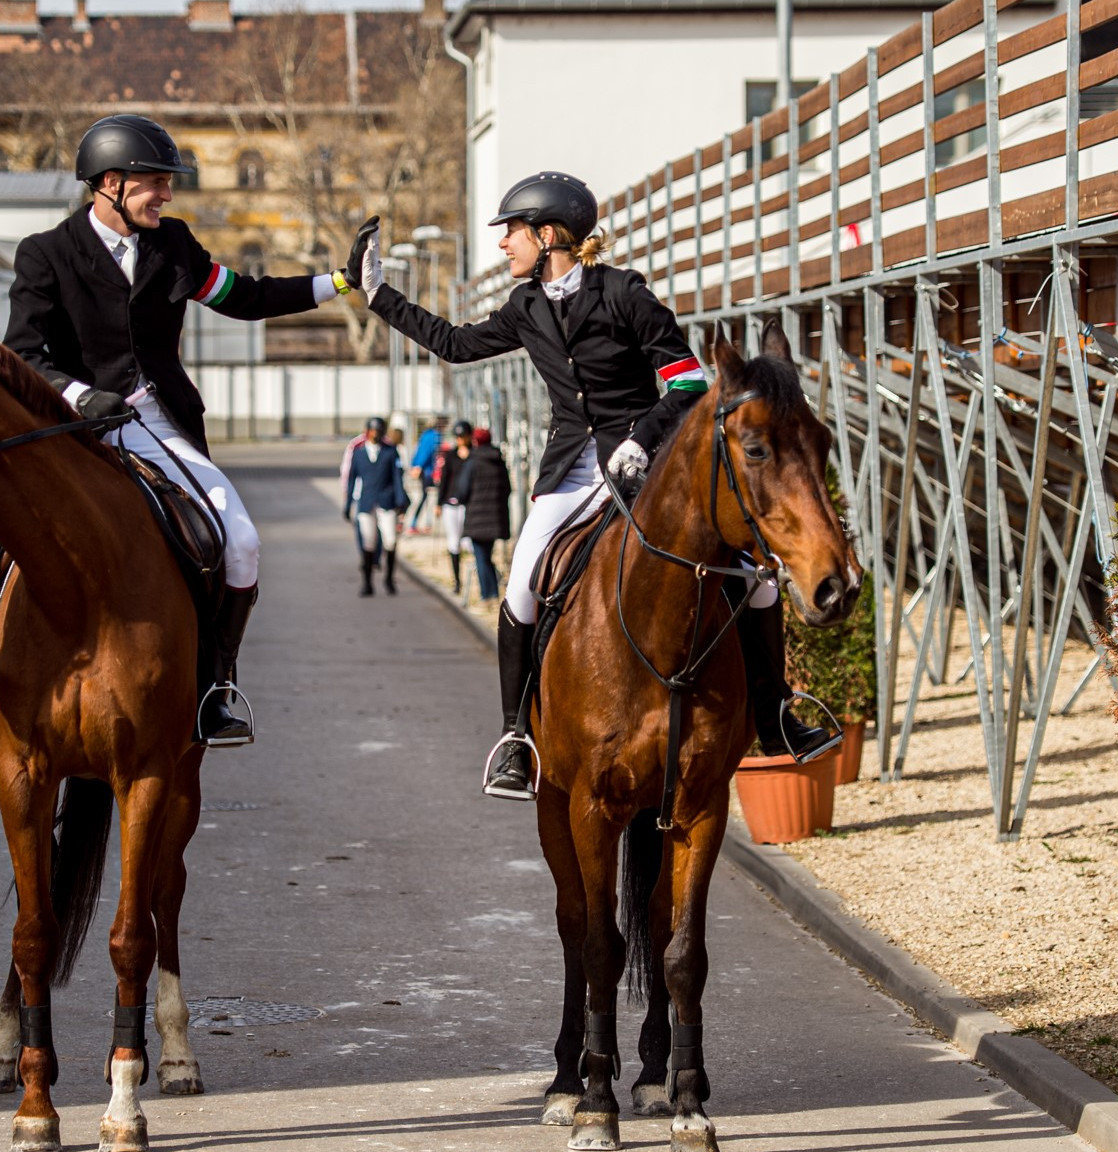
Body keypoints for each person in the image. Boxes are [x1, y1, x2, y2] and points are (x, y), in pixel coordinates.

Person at [348, 172, 839, 800]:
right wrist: (378, 296)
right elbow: (453, 343)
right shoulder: (524, 307)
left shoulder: (625, 294)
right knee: (522, 586)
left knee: (757, 577)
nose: (504, 245)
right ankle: (515, 740)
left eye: (512, 233)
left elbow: (687, 383)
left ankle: (775, 715)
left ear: (547, 235)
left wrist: (641, 439)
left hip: (646, 463)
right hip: (570, 471)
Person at [0, 113, 359, 743]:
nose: (167, 194)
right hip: (64, 426)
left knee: (241, 541)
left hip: (153, 420)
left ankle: (216, 687)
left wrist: (339, 281)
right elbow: (23, 353)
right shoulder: (46, 254)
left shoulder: (174, 247)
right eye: (155, 183)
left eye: (168, 184)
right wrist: (83, 396)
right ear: (110, 183)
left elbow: (243, 298)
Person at [344, 416, 407, 596]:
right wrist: (348, 504)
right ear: (367, 432)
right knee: (368, 542)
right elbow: (351, 480)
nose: (375, 434)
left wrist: (400, 500)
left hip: (386, 502)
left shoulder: (390, 452)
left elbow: (397, 478)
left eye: (379, 431)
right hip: (366, 502)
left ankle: (389, 578)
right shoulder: (359, 453)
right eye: (372, 431)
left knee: (391, 540)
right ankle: (367, 582)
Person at [460, 426, 512, 606]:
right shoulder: (498, 462)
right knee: (486, 555)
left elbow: (462, 490)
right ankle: (494, 592)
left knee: (480, 557)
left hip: (477, 517)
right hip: (495, 517)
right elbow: (507, 488)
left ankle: (487, 596)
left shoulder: (472, 462)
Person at [433, 419, 477, 596]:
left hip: (468, 503)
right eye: (457, 437)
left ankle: (477, 577)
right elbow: (444, 480)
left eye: (463, 436)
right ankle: (457, 580)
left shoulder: (475, 454)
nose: (460, 439)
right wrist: (438, 503)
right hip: (451, 503)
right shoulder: (450, 456)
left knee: (469, 542)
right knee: (454, 542)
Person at [405, 414, 449, 533]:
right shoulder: (435, 436)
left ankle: (419, 523)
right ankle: (424, 524)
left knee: (425, 497)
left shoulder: (426, 435)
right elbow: (426, 452)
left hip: (425, 471)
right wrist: (419, 466)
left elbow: (419, 451)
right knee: (431, 497)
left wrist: (415, 465)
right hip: (430, 472)